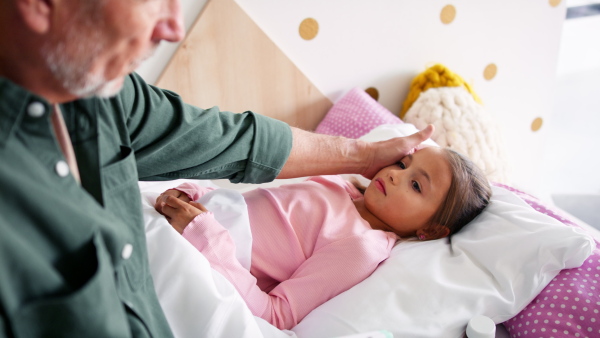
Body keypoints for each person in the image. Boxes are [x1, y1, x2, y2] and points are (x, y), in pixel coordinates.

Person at [0, 0, 436, 336]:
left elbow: (226, 138)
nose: (174, 27)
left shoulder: (104, 97)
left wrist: (360, 155)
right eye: (151, 1)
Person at [154, 146, 492, 329]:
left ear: (431, 230)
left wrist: (209, 240)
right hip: (188, 217)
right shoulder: (342, 187)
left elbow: (278, 315)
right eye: (404, 164)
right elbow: (245, 204)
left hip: (200, 250)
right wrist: (196, 191)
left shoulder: (362, 245)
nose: (394, 175)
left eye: (416, 185)